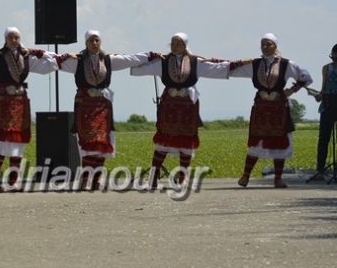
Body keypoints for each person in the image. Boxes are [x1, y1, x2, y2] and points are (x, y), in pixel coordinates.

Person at [57, 31, 160, 189]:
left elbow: (129, 59)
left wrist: (150, 55)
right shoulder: (77, 61)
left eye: (97, 40)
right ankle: (85, 178)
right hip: (85, 105)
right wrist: (39, 54)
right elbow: (54, 60)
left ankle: (96, 178)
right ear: (86, 43)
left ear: (100, 42)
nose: (94, 43)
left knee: (103, 142)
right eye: (91, 41)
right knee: (88, 142)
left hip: (103, 106)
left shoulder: (108, 60)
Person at [131, 32, 229, 187]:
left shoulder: (195, 62)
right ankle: (154, 175)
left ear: (185, 45)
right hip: (169, 105)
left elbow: (217, 68)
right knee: (164, 139)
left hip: (188, 106)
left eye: (178, 43)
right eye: (173, 43)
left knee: (187, 140)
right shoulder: (163, 62)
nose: (175, 46)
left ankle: (183, 176)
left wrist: (236, 65)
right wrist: (149, 58)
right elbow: (136, 70)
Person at [0, 27, 58, 191]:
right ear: (5, 39)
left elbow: (47, 66)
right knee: (1, 141)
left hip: (21, 102)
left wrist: (40, 52)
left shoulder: (26, 57)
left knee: (18, 141)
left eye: (17, 38)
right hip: (4, 102)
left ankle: (13, 180)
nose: (14, 41)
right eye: (11, 38)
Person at [229, 33, 312, 188]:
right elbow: (232, 70)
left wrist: (292, 90)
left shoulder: (286, 64)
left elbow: (306, 77)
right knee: (256, 141)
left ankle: (278, 179)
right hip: (261, 107)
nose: (265, 47)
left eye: (268, 44)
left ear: (275, 46)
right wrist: (227, 64)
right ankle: (245, 176)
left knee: (280, 141)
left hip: (279, 108)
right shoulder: (254, 64)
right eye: (263, 44)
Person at [313, 43, 337, 180]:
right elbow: (324, 87)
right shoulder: (326, 68)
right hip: (327, 105)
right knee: (324, 139)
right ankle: (320, 169)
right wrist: (319, 95)